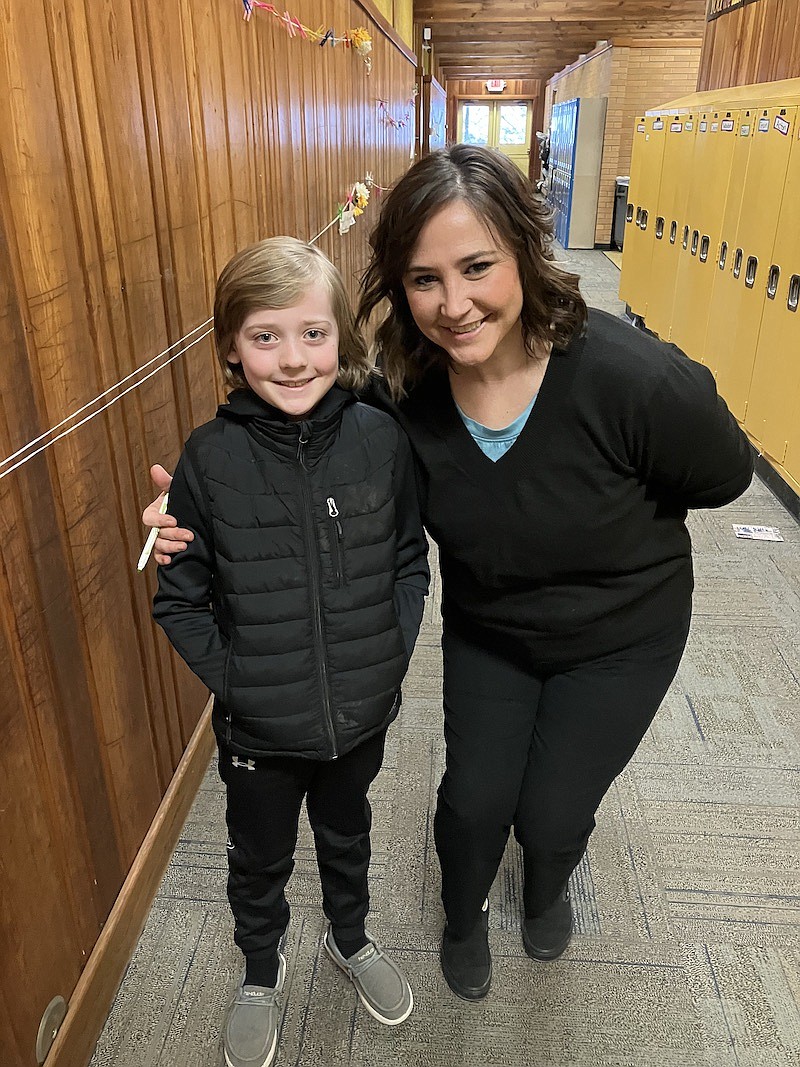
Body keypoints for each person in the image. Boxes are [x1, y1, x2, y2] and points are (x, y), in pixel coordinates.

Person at [142, 146, 754, 1007]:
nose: (455, 304)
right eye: (424, 278)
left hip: (621, 637)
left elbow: (721, 476)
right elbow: (297, 419)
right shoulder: (403, 391)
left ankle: (546, 882)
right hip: (492, 629)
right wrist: (190, 507)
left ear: (526, 253)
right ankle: (462, 915)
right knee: (471, 805)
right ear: (397, 286)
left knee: (550, 811)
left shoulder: (631, 379)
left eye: (477, 268)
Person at [151, 236, 429, 1067]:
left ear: (342, 336)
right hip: (258, 733)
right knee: (258, 854)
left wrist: (390, 651)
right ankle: (259, 972)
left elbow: (409, 557)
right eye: (266, 336)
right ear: (232, 349)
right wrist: (239, 682)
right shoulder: (211, 457)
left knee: (349, 834)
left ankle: (350, 937)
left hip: (361, 713)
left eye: (313, 333)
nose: (294, 357)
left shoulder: (381, 440)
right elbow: (178, 596)